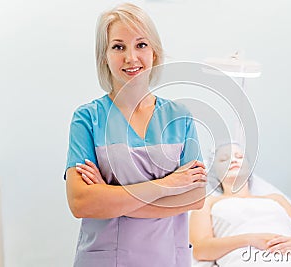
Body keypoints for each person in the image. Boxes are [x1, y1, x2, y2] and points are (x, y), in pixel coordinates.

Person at [64, 3, 207, 267]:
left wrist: (109, 196)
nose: (131, 57)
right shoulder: (88, 119)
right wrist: (168, 185)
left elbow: (196, 197)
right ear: (104, 56)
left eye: (141, 45)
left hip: (167, 258)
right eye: (118, 47)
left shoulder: (180, 117)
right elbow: (81, 202)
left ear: (155, 52)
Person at [188, 143, 291, 266]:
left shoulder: (276, 199)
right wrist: (252, 239)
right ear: (213, 171)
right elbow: (200, 249)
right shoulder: (207, 202)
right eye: (224, 159)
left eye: (239, 157)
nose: (233, 160)